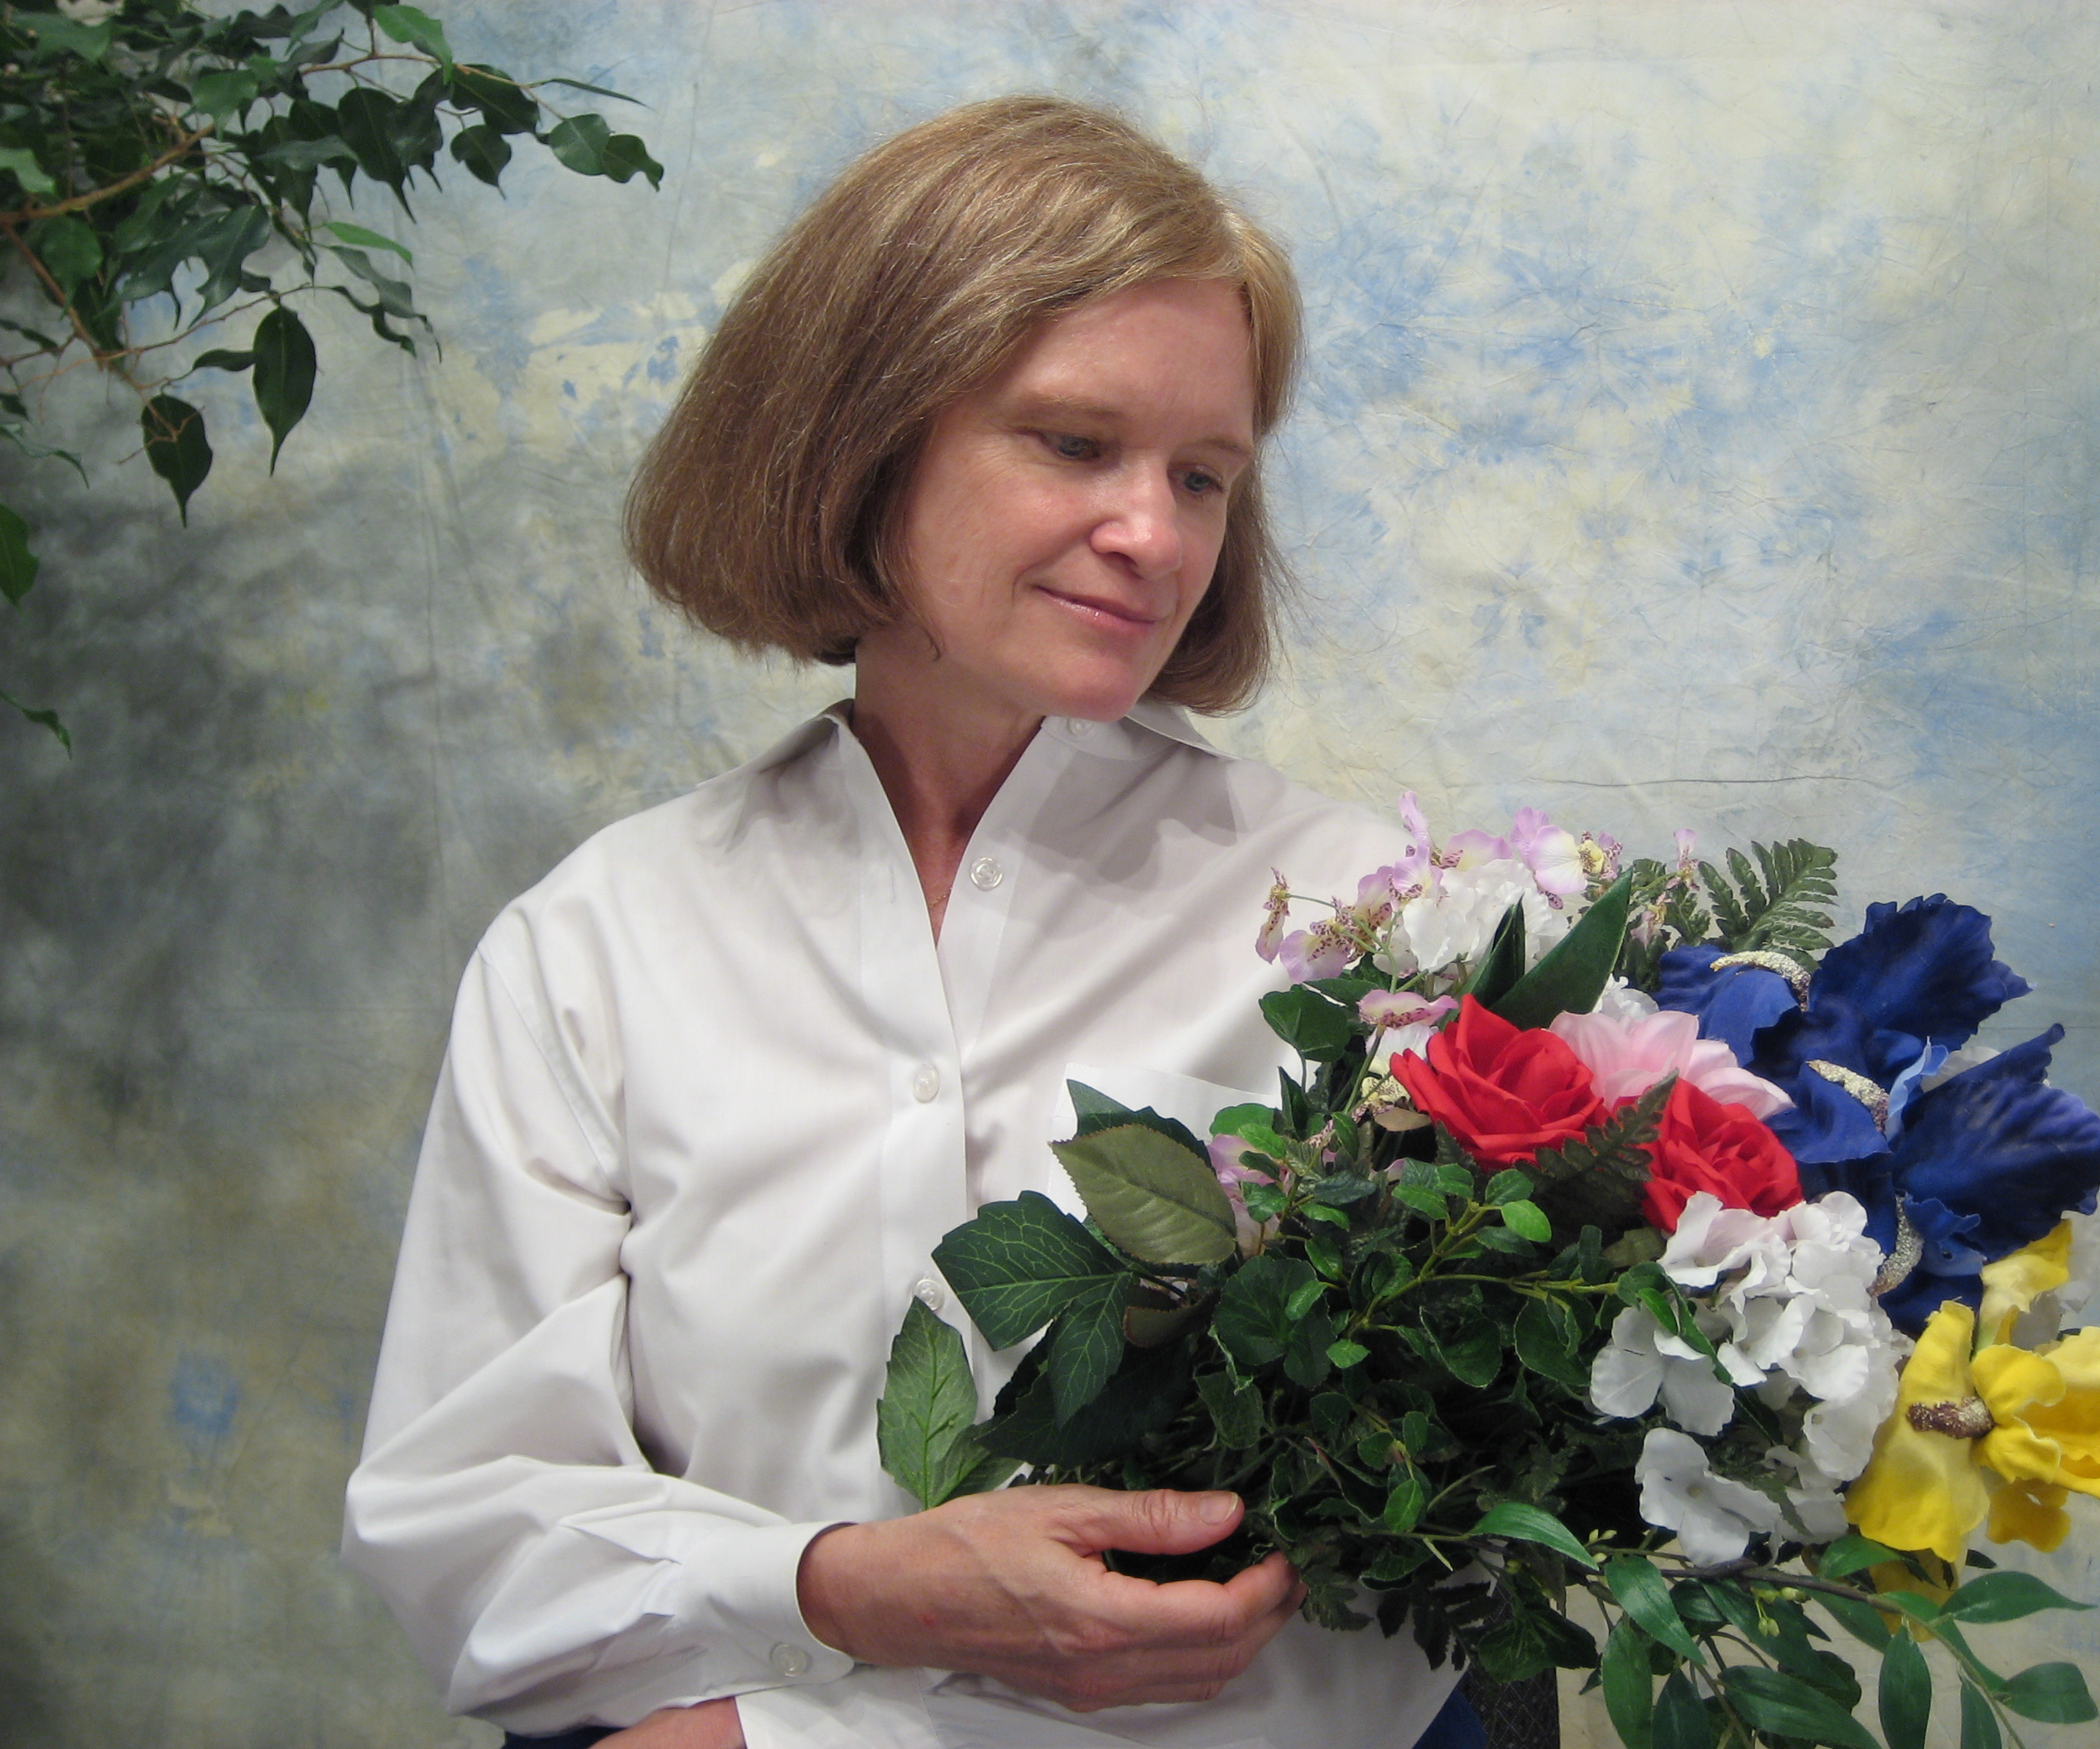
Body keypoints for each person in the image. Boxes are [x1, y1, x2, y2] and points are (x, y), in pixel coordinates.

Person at [344, 97, 1482, 1749]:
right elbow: (469, 1529)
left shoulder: (1370, 937)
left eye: (1203, 476)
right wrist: (839, 1590)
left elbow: (1407, 1581)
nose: (1154, 535)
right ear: (860, 440)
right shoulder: (594, 947)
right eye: (1074, 444)